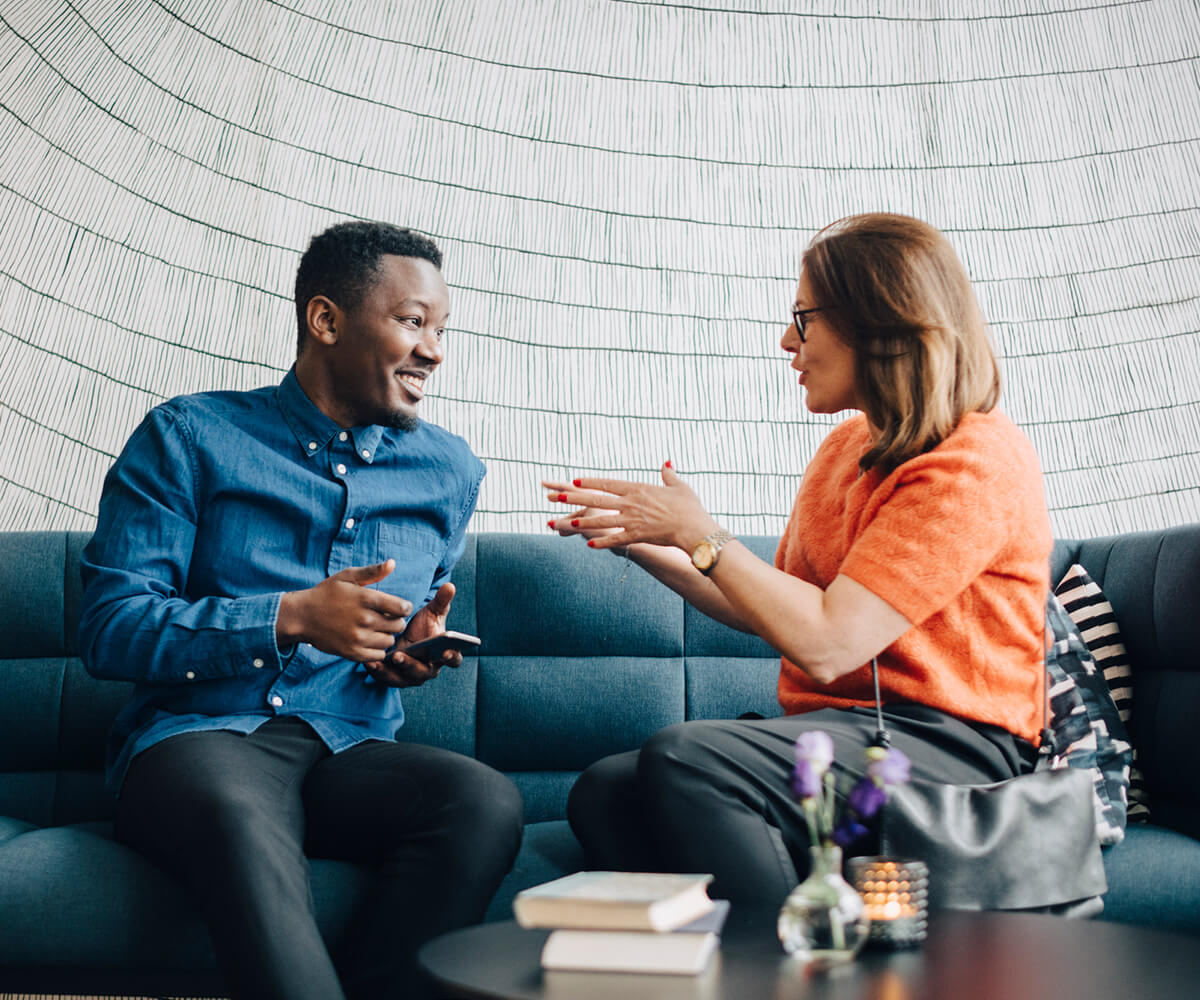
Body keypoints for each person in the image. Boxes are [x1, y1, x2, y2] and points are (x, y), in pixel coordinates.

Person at [545, 212, 1053, 905]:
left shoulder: (973, 462)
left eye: (804, 319)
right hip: (844, 736)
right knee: (608, 792)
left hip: (955, 746)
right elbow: (773, 607)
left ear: (880, 323)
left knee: (687, 759)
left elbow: (828, 643)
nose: (788, 342)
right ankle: (753, 944)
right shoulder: (844, 450)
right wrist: (646, 539)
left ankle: (794, 970)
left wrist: (702, 534)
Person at [79, 220, 524, 999]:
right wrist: (288, 616)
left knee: (481, 801)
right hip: (198, 740)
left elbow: (386, 637)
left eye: (442, 330)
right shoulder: (190, 436)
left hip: (349, 750)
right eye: (413, 322)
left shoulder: (448, 471)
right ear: (326, 320)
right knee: (237, 810)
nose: (435, 352)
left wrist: (404, 652)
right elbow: (110, 629)